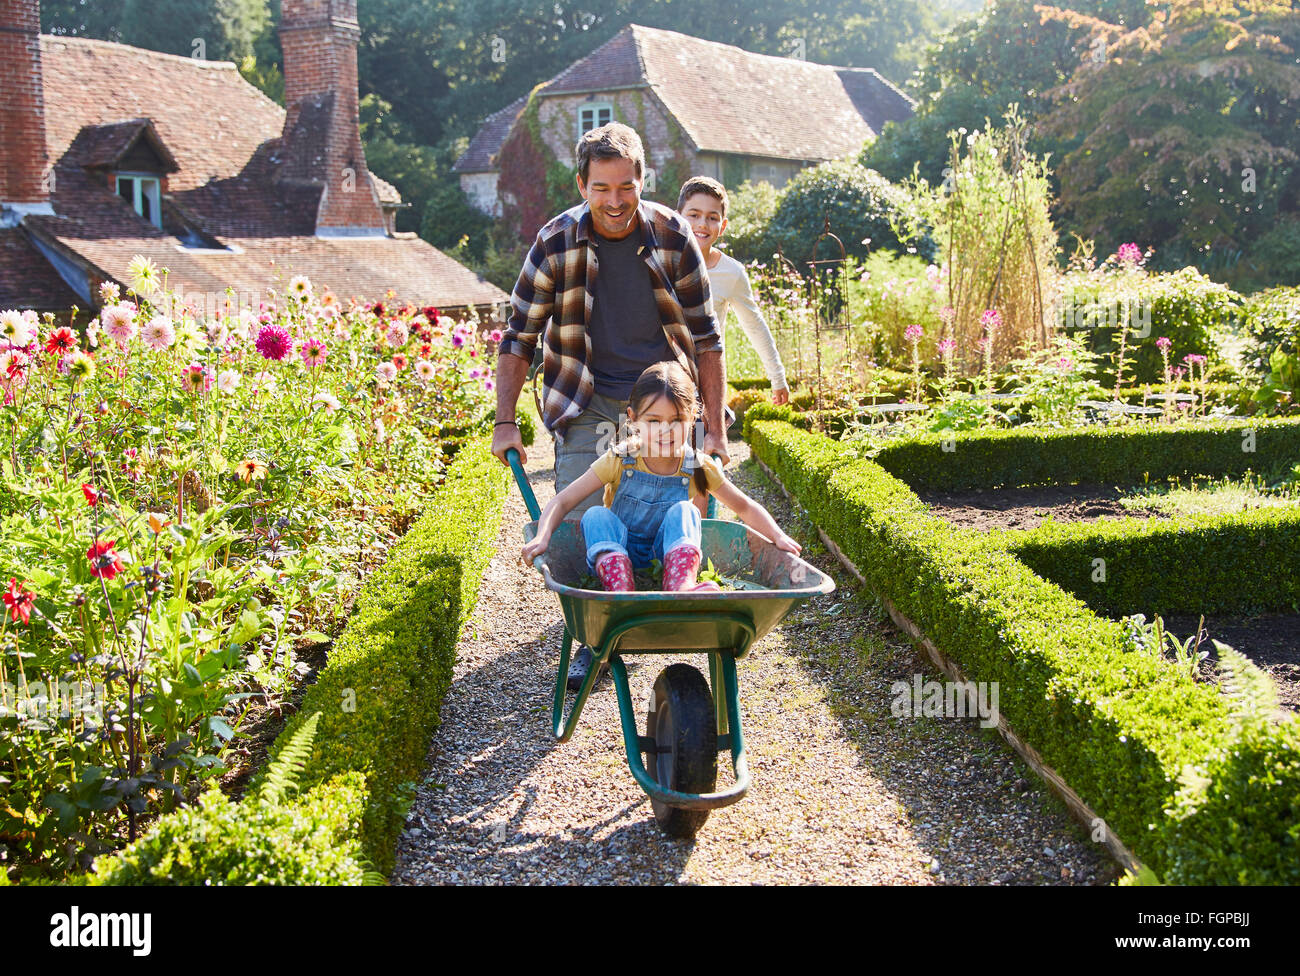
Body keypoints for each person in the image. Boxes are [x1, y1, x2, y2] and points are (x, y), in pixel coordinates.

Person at [491, 122, 730, 688]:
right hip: (588, 399)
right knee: (580, 526)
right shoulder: (554, 243)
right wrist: (506, 422)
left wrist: (714, 427)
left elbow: (707, 338)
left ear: (643, 181)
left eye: (626, 186)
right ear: (582, 185)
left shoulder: (674, 236)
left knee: (682, 512)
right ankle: (595, 637)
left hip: (665, 401)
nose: (616, 200)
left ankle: (676, 605)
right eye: (602, 188)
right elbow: (519, 337)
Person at [520, 362, 801, 599]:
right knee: (595, 516)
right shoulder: (620, 458)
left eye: (676, 420)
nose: (665, 431)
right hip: (617, 553)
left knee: (686, 511)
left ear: (693, 419)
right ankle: (620, 586)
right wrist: (543, 536)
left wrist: (777, 536)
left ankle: (681, 585)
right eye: (653, 421)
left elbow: (745, 506)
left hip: (666, 557)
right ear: (633, 419)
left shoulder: (696, 465)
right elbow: (563, 500)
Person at [677, 176, 789, 405]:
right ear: (677, 217)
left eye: (712, 218)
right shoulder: (660, 261)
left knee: (703, 440)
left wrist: (777, 376)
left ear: (723, 225)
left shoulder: (731, 273)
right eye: (694, 215)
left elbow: (754, 325)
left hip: (705, 385)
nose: (702, 224)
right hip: (661, 382)